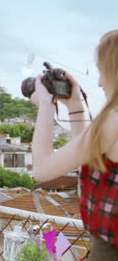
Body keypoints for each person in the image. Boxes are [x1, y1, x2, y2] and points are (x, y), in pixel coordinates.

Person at [30, 30, 118, 259]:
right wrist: (75, 106)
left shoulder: (113, 122)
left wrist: (46, 106)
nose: (99, 82)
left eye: (101, 70)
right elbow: (91, 162)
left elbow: (41, 169)